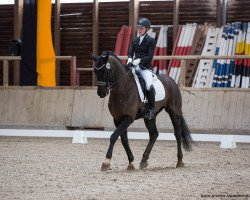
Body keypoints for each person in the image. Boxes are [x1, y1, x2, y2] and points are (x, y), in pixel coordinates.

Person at [127, 17, 156, 120]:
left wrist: (139, 60)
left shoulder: (151, 41)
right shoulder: (134, 40)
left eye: (142, 28)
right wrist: (130, 59)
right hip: (134, 66)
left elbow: (150, 56)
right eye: (138, 28)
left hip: (145, 68)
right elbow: (130, 52)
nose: (139, 30)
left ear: (147, 29)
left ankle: (152, 109)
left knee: (148, 85)